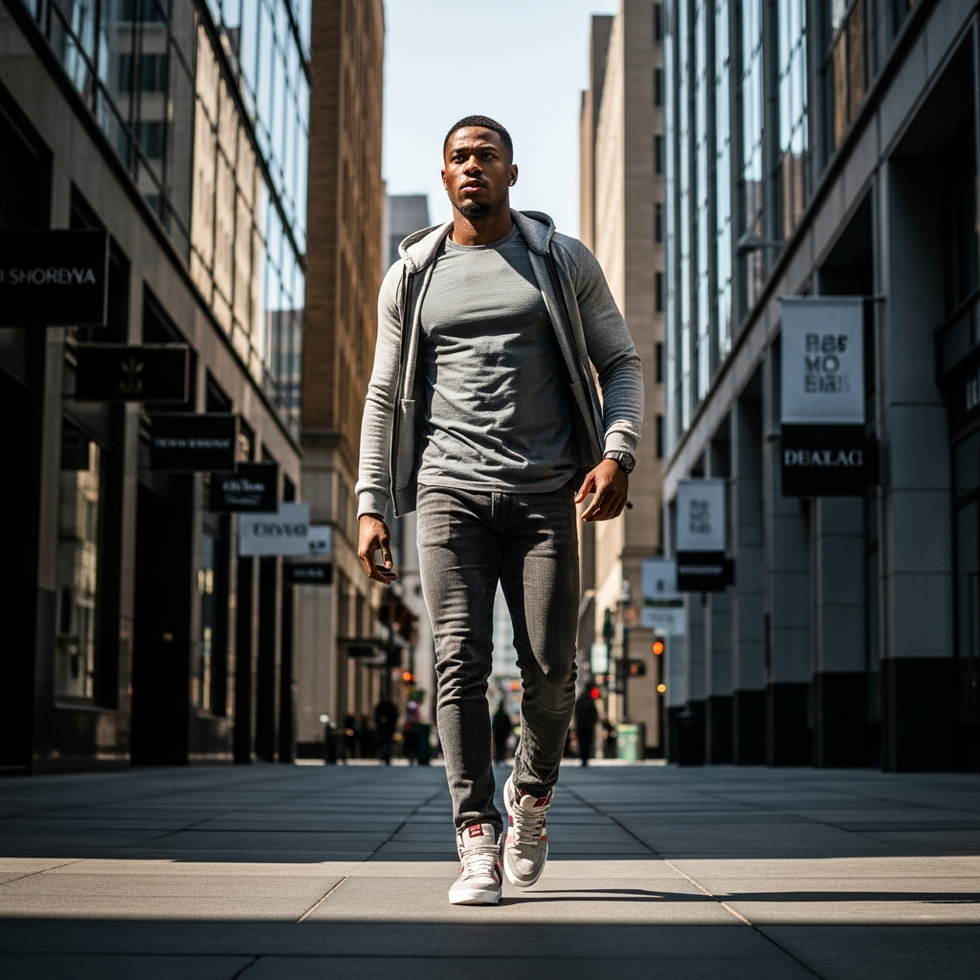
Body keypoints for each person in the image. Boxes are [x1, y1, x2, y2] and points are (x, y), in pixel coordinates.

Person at [356, 115, 643, 905]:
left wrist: (617, 452)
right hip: (448, 492)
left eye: (485, 155)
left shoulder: (558, 259)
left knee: (554, 672)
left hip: (547, 492)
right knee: (458, 660)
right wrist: (372, 501)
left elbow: (619, 360)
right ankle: (476, 835)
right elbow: (383, 394)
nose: (471, 166)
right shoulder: (412, 273)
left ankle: (532, 798)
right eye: (458, 157)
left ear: (512, 174)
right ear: (444, 176)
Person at [574, 688, 599, 767]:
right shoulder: (590, 703)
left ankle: (582, 757)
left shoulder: (579, 703)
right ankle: (586, 757)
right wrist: (593, 723)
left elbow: (575, 713)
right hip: (589, 725)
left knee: (581, 742)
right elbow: (595, 714)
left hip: (580, 725)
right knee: (588, 742)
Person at [373, 696, 398, 766]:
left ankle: (387, 757)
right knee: (382, 743)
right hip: (382, 729)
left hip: (389, 729)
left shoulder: (391, 707)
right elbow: (377, 716)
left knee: (388, 743)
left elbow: (395, 716)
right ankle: (383, 757)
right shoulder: (381, 707)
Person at [492, 701, 512, 766]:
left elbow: (494, 725)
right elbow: (508, 726)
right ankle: (502, 759)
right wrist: (508, 733)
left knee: (497, 746)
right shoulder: (505, 716)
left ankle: (497, 759)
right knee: (502, 746)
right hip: (503, 735)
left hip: (497, 734)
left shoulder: (496, 715)